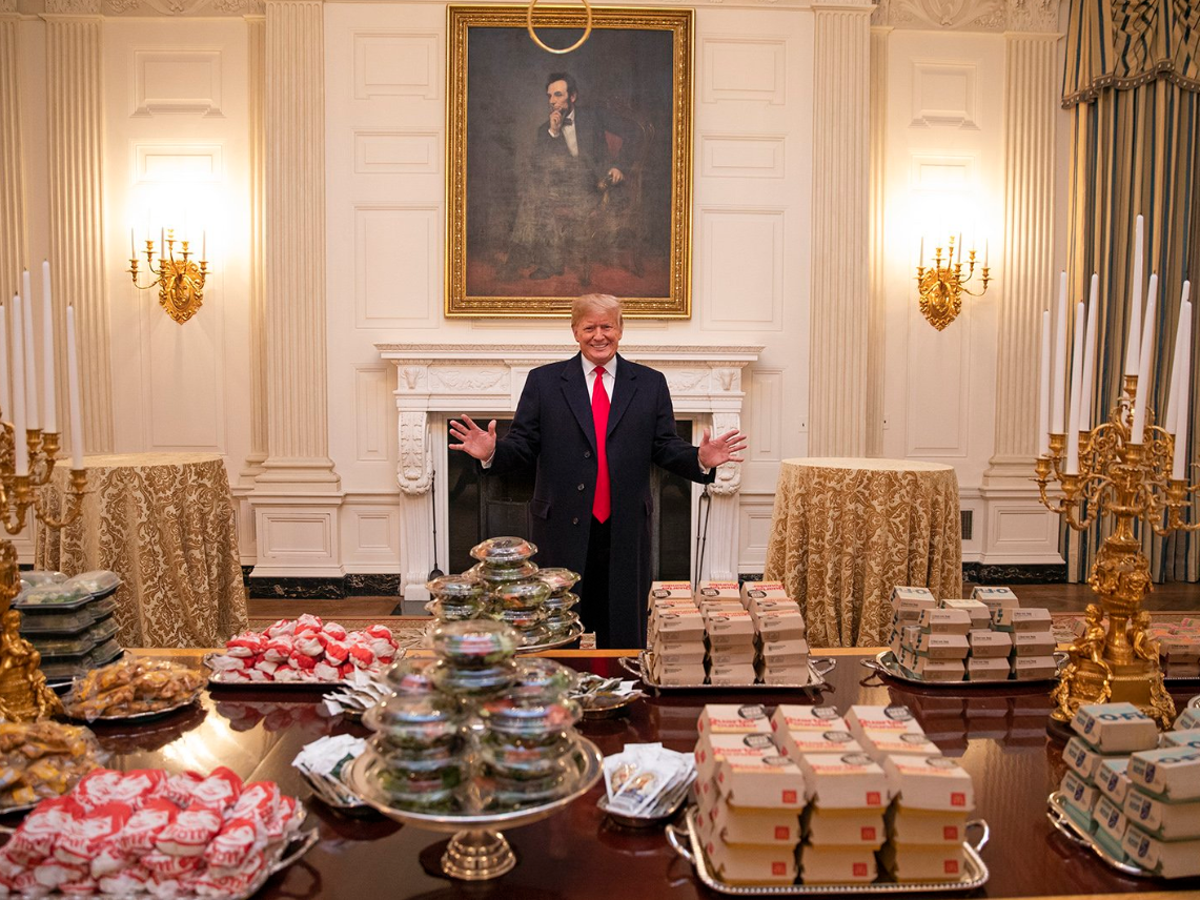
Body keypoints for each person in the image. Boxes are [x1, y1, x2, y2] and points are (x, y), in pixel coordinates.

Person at [449, 294, 747, 648]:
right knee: (557, 627)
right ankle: (562, 694)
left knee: (623, 629)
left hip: (625, 527)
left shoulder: (650, 384)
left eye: (607, 326)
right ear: (575, 331)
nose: (599, 335)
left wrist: (700, 457)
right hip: (559, 525)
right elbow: (524, 445)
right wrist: (493, 452)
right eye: (589, 327)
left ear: (620, 329)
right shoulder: (543, 382)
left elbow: (664, 446)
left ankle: (621, 692)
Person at [504, 73, 642, 284]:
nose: (552, 101)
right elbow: (539, 166)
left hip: (596, 187)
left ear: (573, 96)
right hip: (563, 189)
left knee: (539, 196)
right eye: (549, 96)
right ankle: (523, 260)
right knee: (535, 194)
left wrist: (619, 165)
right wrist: (554, 132)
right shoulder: (545, 130)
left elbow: (634, 131)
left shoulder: (594, 115)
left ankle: (546, 262)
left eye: (558, 95)